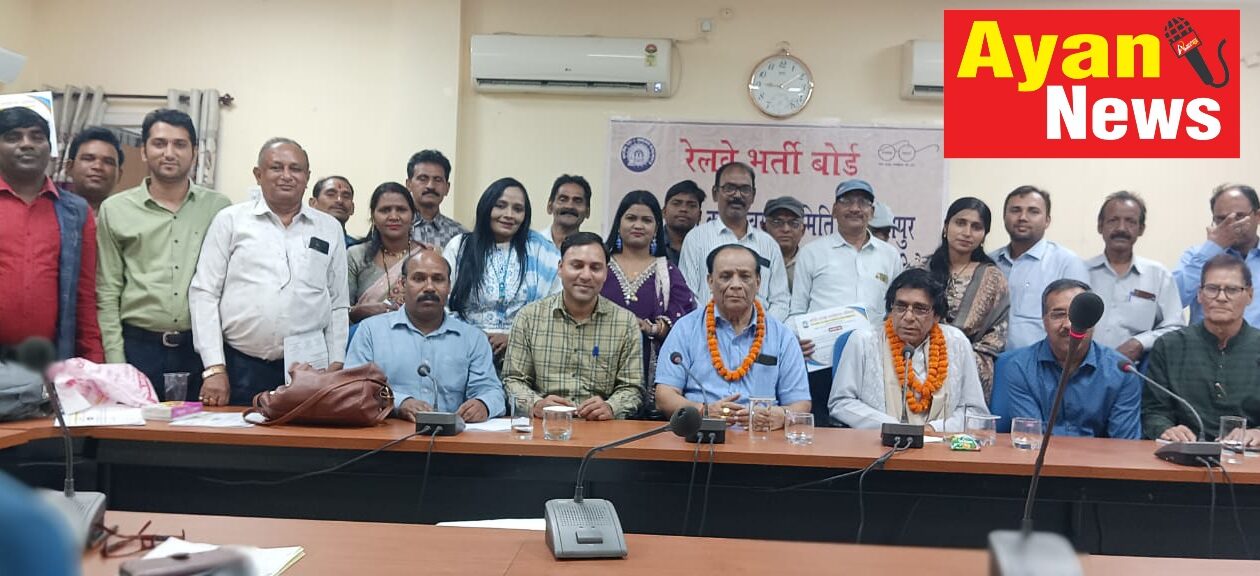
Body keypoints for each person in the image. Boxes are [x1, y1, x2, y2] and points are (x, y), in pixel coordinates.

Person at [190, 138, 349, 406]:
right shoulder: (230, 221)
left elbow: (338, 303)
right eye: (276, 167)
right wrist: (214, 367)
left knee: (305, 434)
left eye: (295, 169)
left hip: (309, 371)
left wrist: (335, 364)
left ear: (307, 177)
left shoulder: (329, 228)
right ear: (258, 174)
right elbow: (204, 293)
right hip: (240, 366)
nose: (286, 176)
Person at [96, 108, 231, 400]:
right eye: (159, 143)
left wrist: (218, 363)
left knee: (199, 427)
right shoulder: (115, 209)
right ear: (144, 151)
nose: (169, 153)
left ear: (195, 153)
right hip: (138, 348)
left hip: (199, 350)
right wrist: (116, 364)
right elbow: (107, 291)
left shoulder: (220, 208)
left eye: (179, 144)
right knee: (134, 427)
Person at [655, 244, 810, 430]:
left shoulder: (782, 336)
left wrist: (781, 416)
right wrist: (703, 411)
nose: (735, 285)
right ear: (710, 281)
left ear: (758, 282)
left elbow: (800, 403)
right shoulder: (686, 329)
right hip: (700, 436)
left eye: (745, 276)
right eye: (726, 276)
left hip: (762, 438)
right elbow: (664, 396)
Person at [346, 249, 504, 423]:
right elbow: (354, 387)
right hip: (386, 434)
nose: (429, 287)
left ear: (449, 286)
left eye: (438, 279)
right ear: (403, 284)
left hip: (452, 436)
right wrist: (399, 403)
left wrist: (483, 404)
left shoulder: (472, 338)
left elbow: (492, 392)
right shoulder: (371, 331)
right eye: (419, 279)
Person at [503, 232, 644, 420]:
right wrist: (535, 404)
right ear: (560, 268)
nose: (585, 276)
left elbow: (633, 388)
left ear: (605, 273)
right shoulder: (529, 317)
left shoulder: (625, 323)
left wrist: (612, 407)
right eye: (576, 266)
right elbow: (512, 380)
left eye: (595, 268)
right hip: (544, 425)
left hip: (601, 427)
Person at [0, 106, 103, 361]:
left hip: (50, 360)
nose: (27, 144)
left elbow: (84, 297)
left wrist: (94, 362)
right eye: (13, 137)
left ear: (50, 148)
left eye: (37, 136)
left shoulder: (76, 212)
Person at [829, 269, 988, 431]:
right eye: (901, 306)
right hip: (879, 439)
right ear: (890, 309)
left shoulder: (956, 342)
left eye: (920, 309)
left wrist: (935, 429)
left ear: (936, 316)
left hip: (941, 440)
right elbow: (841, 402)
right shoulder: (863, 341)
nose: (908, 317)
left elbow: (975, 412)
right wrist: (892, 427)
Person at [997, 279, 1142, 439]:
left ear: (1093, 322)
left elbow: (1124, 444)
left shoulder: (1122, 371)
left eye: (1078, 315)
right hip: (1040, 454)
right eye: (1058, 315)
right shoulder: (1020, 367)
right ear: (1044, 321)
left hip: (1098, 455)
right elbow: (1031, 437)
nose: (1068, 324)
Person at [1145, 254, 1260, 445]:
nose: (1221, 298)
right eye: (1212, 289)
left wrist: (1257, 433)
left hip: (1249, 455)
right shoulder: (1170, 346)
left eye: (1232, 290)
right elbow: (1153, 411)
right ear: (1199, 294)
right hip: (1183, 452)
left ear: (1249, 295)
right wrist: (1166, 429)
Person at [444, 177, 559, 363]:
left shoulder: (542, 252)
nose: (509, 215)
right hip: (464, 349)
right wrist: (475, 337)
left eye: (518, 209)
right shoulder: (460, 247)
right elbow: (442, 302)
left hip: (525, 354)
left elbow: (555, 307)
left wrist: (514, 337)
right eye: (500, 206)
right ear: (486, 207)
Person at [603, 190, 696, 416]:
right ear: (618, 223)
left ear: (656, 228)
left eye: (646, 220)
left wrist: (652, 328)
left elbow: (684, 320)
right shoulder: (600, 266)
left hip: (650, 366)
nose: (638, 225)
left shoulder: (667, 272)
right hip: (600, 361)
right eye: (631, 218)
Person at [679, 162, 790, 319]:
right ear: (715, 193)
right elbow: (688, 295)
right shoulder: (696, 238)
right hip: (707, 329)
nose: (737, 195)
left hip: (761, 331)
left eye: (745, 189)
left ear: (753, 195)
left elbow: (781, 301)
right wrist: (714, 325)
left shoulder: (769, 244)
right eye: (730, 188)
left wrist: (759, 327)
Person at [923, 197, 1008, 399]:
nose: (967, 232)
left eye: (976, 227)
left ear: (984, 235)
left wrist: (958, 356)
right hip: (921, 361)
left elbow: (996, 335)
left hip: (971, 366)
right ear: (946, 227)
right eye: (960, 223)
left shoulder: (993, 278)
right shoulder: (921, 270)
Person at [1087, 191, 1184, 362]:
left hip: (1133, 370)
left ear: (1141, 229)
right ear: (1100, 226)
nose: (1121, 228)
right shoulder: (1081, 272)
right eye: (1113, 220)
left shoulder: (1158, 275)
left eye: (1130, 221)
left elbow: (1175, 327)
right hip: (1081, 369)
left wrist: (1140, 343)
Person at [990, 185, 1089, 350]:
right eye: (1015, 210)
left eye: (1033, 211)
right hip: (990, 359)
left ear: (1047, 220)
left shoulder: (1067, 262)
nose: (1022, 217)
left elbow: (1078, 322)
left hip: (1041, 361)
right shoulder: (990, 262)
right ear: (1004, 217)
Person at [1174, 183, 1260, 326]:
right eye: (1222, 219)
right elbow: (1172, 302)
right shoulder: (1196, 255)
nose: (1231, 224)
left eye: (1239, 216)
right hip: (1205, 340)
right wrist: (1212, 248)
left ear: (1257, 216)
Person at [348, 182, 417, 324]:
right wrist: (359, 311)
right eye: (385, 210)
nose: (394, 216)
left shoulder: (428, 255)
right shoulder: (356, 255)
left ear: (413, 216)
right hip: (366, 334)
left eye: (401, 210)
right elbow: (340, 311)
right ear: (373, 216)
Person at [407, 149, 467, 249]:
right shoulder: (394, 227)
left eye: (438, 180)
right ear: (409, 184)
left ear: (447, 188)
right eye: (423, 179)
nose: (430, 186)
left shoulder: (460, 235)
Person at [65, 126, 123, 211]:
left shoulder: (127, 215)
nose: (98, 167)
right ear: (69, 167)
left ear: (119, 175)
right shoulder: (52, 209)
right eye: (88, 159)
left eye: (108, 162)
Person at [760, 195, 807, 294]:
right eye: (777, 222)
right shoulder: (753, 261)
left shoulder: (810, 263)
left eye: (793, 223)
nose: (786, 229)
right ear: (763, 227)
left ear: (803, 230)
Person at [662, 179, 705, 266]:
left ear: (699, 215)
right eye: (676, 203)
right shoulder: (650, 244)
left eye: (691, 205)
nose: (683, 209)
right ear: (664, 212)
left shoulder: (706, 246)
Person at [308, 175, 358, 246]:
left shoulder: (359, 250)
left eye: (346, 196)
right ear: (313, 203)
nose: (339, 200)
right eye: (331, 194)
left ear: (352, 208)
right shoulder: (298, 240)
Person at [546, 174, 591, 249]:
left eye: (577, 201)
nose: (569, 206)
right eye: (563, 199)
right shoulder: (531, 244)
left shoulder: (591, 251)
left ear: (587, 211)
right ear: (550, 206)